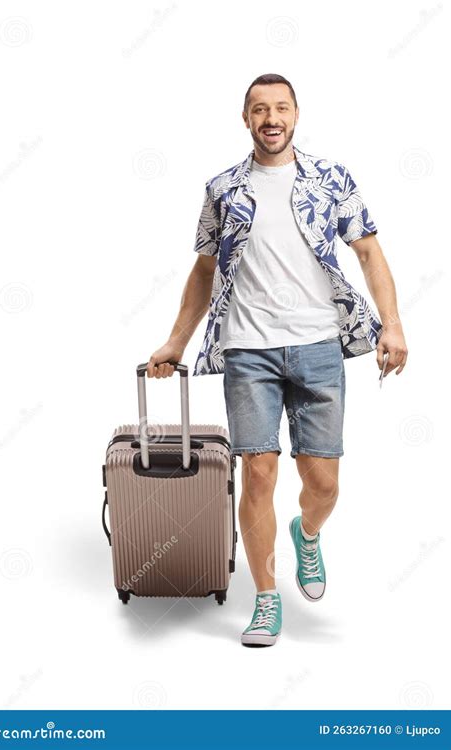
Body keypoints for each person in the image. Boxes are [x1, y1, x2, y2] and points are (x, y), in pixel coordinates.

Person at [147, 73, 408, 647]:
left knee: (324, 483)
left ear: (295, 115)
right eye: (259, 109)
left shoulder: (331, 179)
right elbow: (204, 270)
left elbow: (368, 250)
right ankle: (267, 599)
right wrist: (176, 341)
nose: (271, 118)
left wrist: (392, 325)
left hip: (319, 346)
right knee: (259, 473)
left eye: (281, 108)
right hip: (248, 349)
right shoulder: (223, 188)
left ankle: (307, 534)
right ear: (246, 119)